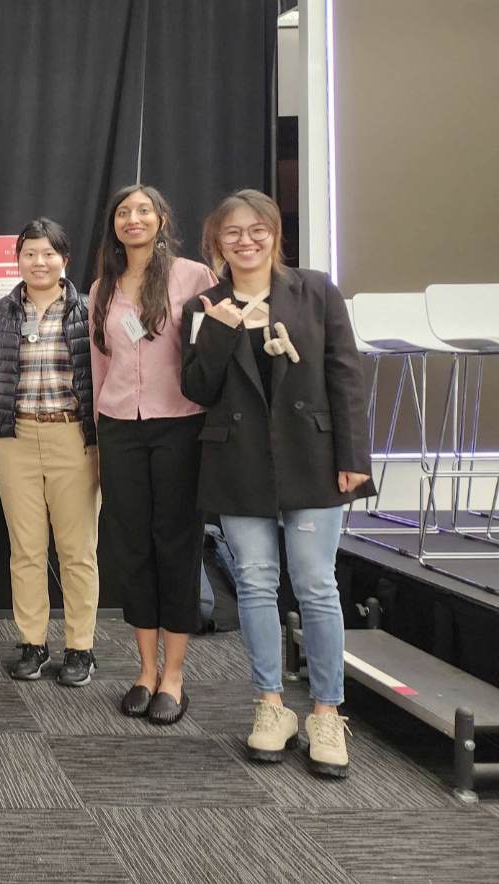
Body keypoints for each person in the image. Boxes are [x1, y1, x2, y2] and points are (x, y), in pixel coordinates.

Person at [181, 188, 374, 778]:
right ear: (217, 242)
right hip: (238, 465)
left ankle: (325, 711)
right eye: (232, 232)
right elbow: (196, 388)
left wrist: (354, 456)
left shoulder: (314, 291)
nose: (246, 241)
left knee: (316, 584)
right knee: (257, 585)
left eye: (256, 230)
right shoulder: (205, 304)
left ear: (274, 234)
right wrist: (217, 329)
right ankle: (269, 706)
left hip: (313, 461)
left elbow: (345, 377)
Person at [88, 185, 218, 724]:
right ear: (114, 224)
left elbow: (212, 355)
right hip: (120, 427)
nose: (133, 219)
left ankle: (175, 675)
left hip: (179, 425)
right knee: (132, 548)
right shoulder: (102, 288)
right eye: (124, 212)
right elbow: (98, 366)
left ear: (162, 219)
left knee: (176, 545)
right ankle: (144, 670)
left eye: (143, 210)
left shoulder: (194, 277)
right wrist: (98, 432)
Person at [0, 218, 99, 688]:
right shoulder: (3, 312)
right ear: (18, 259)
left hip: (73, 439)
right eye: (29, 253)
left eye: (48, 253)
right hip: (16, 439)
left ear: (65, 259)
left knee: (77, 550)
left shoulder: (88, 310)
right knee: (25, 549)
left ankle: (80, 648)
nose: (39, 262)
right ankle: (33, 642)